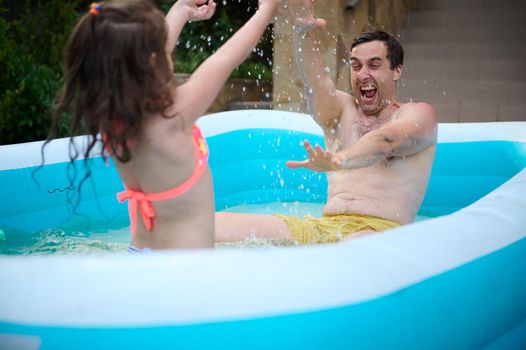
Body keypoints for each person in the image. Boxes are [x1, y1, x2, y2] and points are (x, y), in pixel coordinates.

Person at [47, 0, 282, 250]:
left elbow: (140, 59)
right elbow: (224, 58)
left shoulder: (114, 121)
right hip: (185, 271)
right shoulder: (174, 116)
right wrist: (265, 12)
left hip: (139, 255)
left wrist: (180, 10)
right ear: (151, 61)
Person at [215, 0, 438, 245]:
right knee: (212, 226)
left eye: (374, 65)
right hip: (323, 226)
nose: (363, 74)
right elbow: (316, 81)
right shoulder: (342, 109)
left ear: (396, 71)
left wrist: (339, 159)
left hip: (378, 230)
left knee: (348, 253)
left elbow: (387, 140)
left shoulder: (419, 114)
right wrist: (303, 33)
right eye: (356, 65)